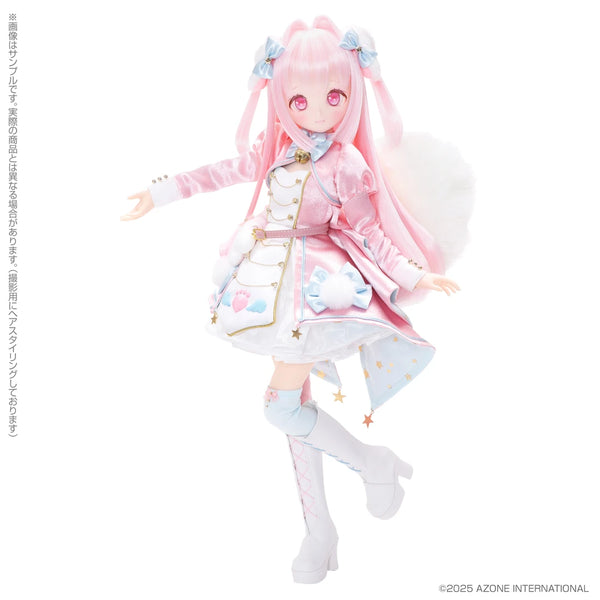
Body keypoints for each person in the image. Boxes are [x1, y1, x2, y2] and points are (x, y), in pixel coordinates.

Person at [122, 16, 462, 584]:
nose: (317, 111)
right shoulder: (277, 148)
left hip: (314, 294)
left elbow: (370, 231)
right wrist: (160, 192)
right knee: (295, 409)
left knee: (280, 407)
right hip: (268, 288)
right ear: (281, 97)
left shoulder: (347, 164)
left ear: (351, 94)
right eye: (299, 100)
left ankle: (371, 462)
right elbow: (222, 172)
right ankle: (320, 531)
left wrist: (414, 274)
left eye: (333, 96)